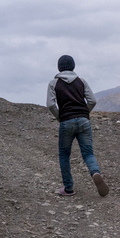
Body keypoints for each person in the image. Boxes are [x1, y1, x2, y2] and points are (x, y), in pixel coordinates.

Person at [46, 54, 107, 198]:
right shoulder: (82, 81)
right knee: (88, 153)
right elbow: (92, 101)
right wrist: (85, 113)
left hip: (66, 121)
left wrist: (59, 116)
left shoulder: (53, 83)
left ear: (59, 68)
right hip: (84, 121)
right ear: (73, 66)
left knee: (64, 155)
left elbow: (50, 104)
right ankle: (95, 173)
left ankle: (68, 188)